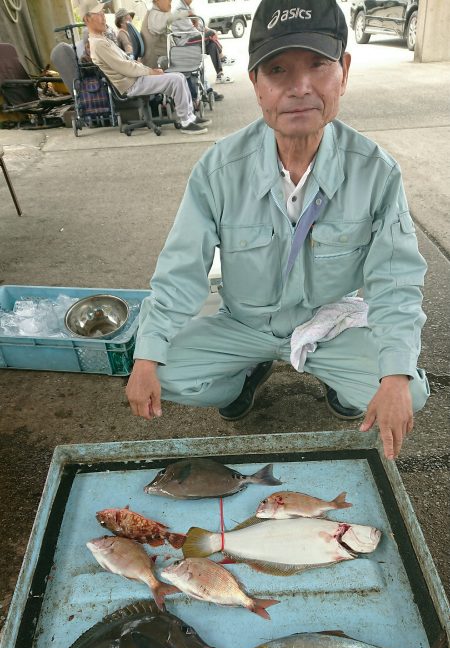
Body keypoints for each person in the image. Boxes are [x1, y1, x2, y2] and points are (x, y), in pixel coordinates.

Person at [126, 0, 429, 460]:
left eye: (318, 65)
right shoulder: (218, 169)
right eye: (278, 70)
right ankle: (242, 377)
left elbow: (396, 281)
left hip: (328, 326)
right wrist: (148, 353)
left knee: (407, 388)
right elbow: (181, 267)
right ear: (256, 84)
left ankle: (339, 385)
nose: (300, 87)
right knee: (160, 372)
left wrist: (393, 377)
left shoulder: (377, 172)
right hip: (245, 324)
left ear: (343, 71)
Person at [80, 0, 209, 133]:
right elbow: (124, 67)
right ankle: (186, 122)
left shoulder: (102, 39)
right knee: (176, 80)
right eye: (99, 14)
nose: (103, 17)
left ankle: (190, 117)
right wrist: (149, 71)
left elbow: (126, 61)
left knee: (179, 77)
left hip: (135, 78)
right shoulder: (99, 44)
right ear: (87, 19)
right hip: (131, 83)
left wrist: (145, 69)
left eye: (103, 13)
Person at [142, 0, 224, 102]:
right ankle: (195, 98)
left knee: (207, 46)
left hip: (171, 53)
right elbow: (163, 23)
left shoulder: (160, 13)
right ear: (158, 1)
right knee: (206, 40)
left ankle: (206, 90)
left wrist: (189, 14)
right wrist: (188, 14)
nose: (170, 1)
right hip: (164, 57)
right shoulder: (154, 14)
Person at [171, 0, 234, 84]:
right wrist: (208, 34)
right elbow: (193, 30)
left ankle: (220, 75)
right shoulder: (179, 11)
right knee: (210, 34)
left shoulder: (189, 8)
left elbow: (200, 25)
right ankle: (222, 57)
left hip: (192, 39)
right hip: (184, 43)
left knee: (212, 45)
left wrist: (209, 30)